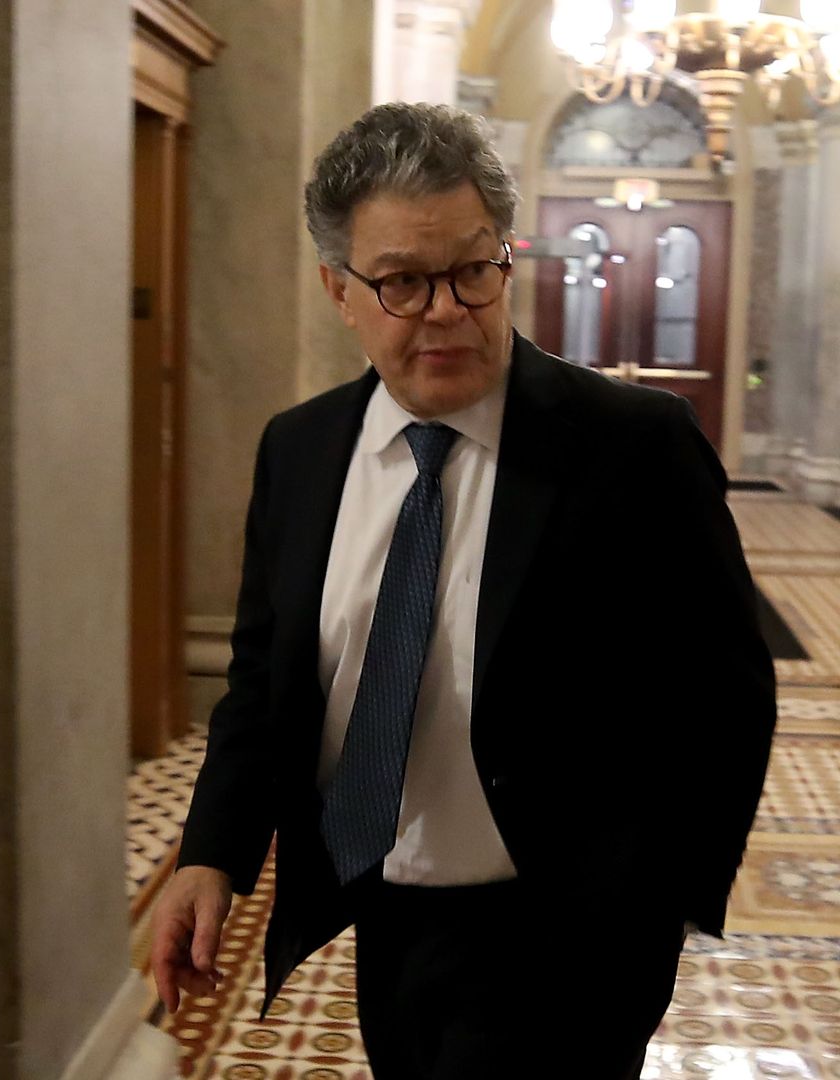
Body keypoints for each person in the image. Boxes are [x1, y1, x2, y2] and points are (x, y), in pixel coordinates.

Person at [148, 102, 776, 1079]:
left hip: (570, 933)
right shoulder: (301, 452)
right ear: (339, 290)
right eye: (401, 281)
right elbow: (263, 677)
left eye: (472, 270)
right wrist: (211, 852)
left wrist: (659, 902)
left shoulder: (632, 448)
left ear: (505, 261)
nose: (445, 310)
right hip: (383, 910)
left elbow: (727, 688)